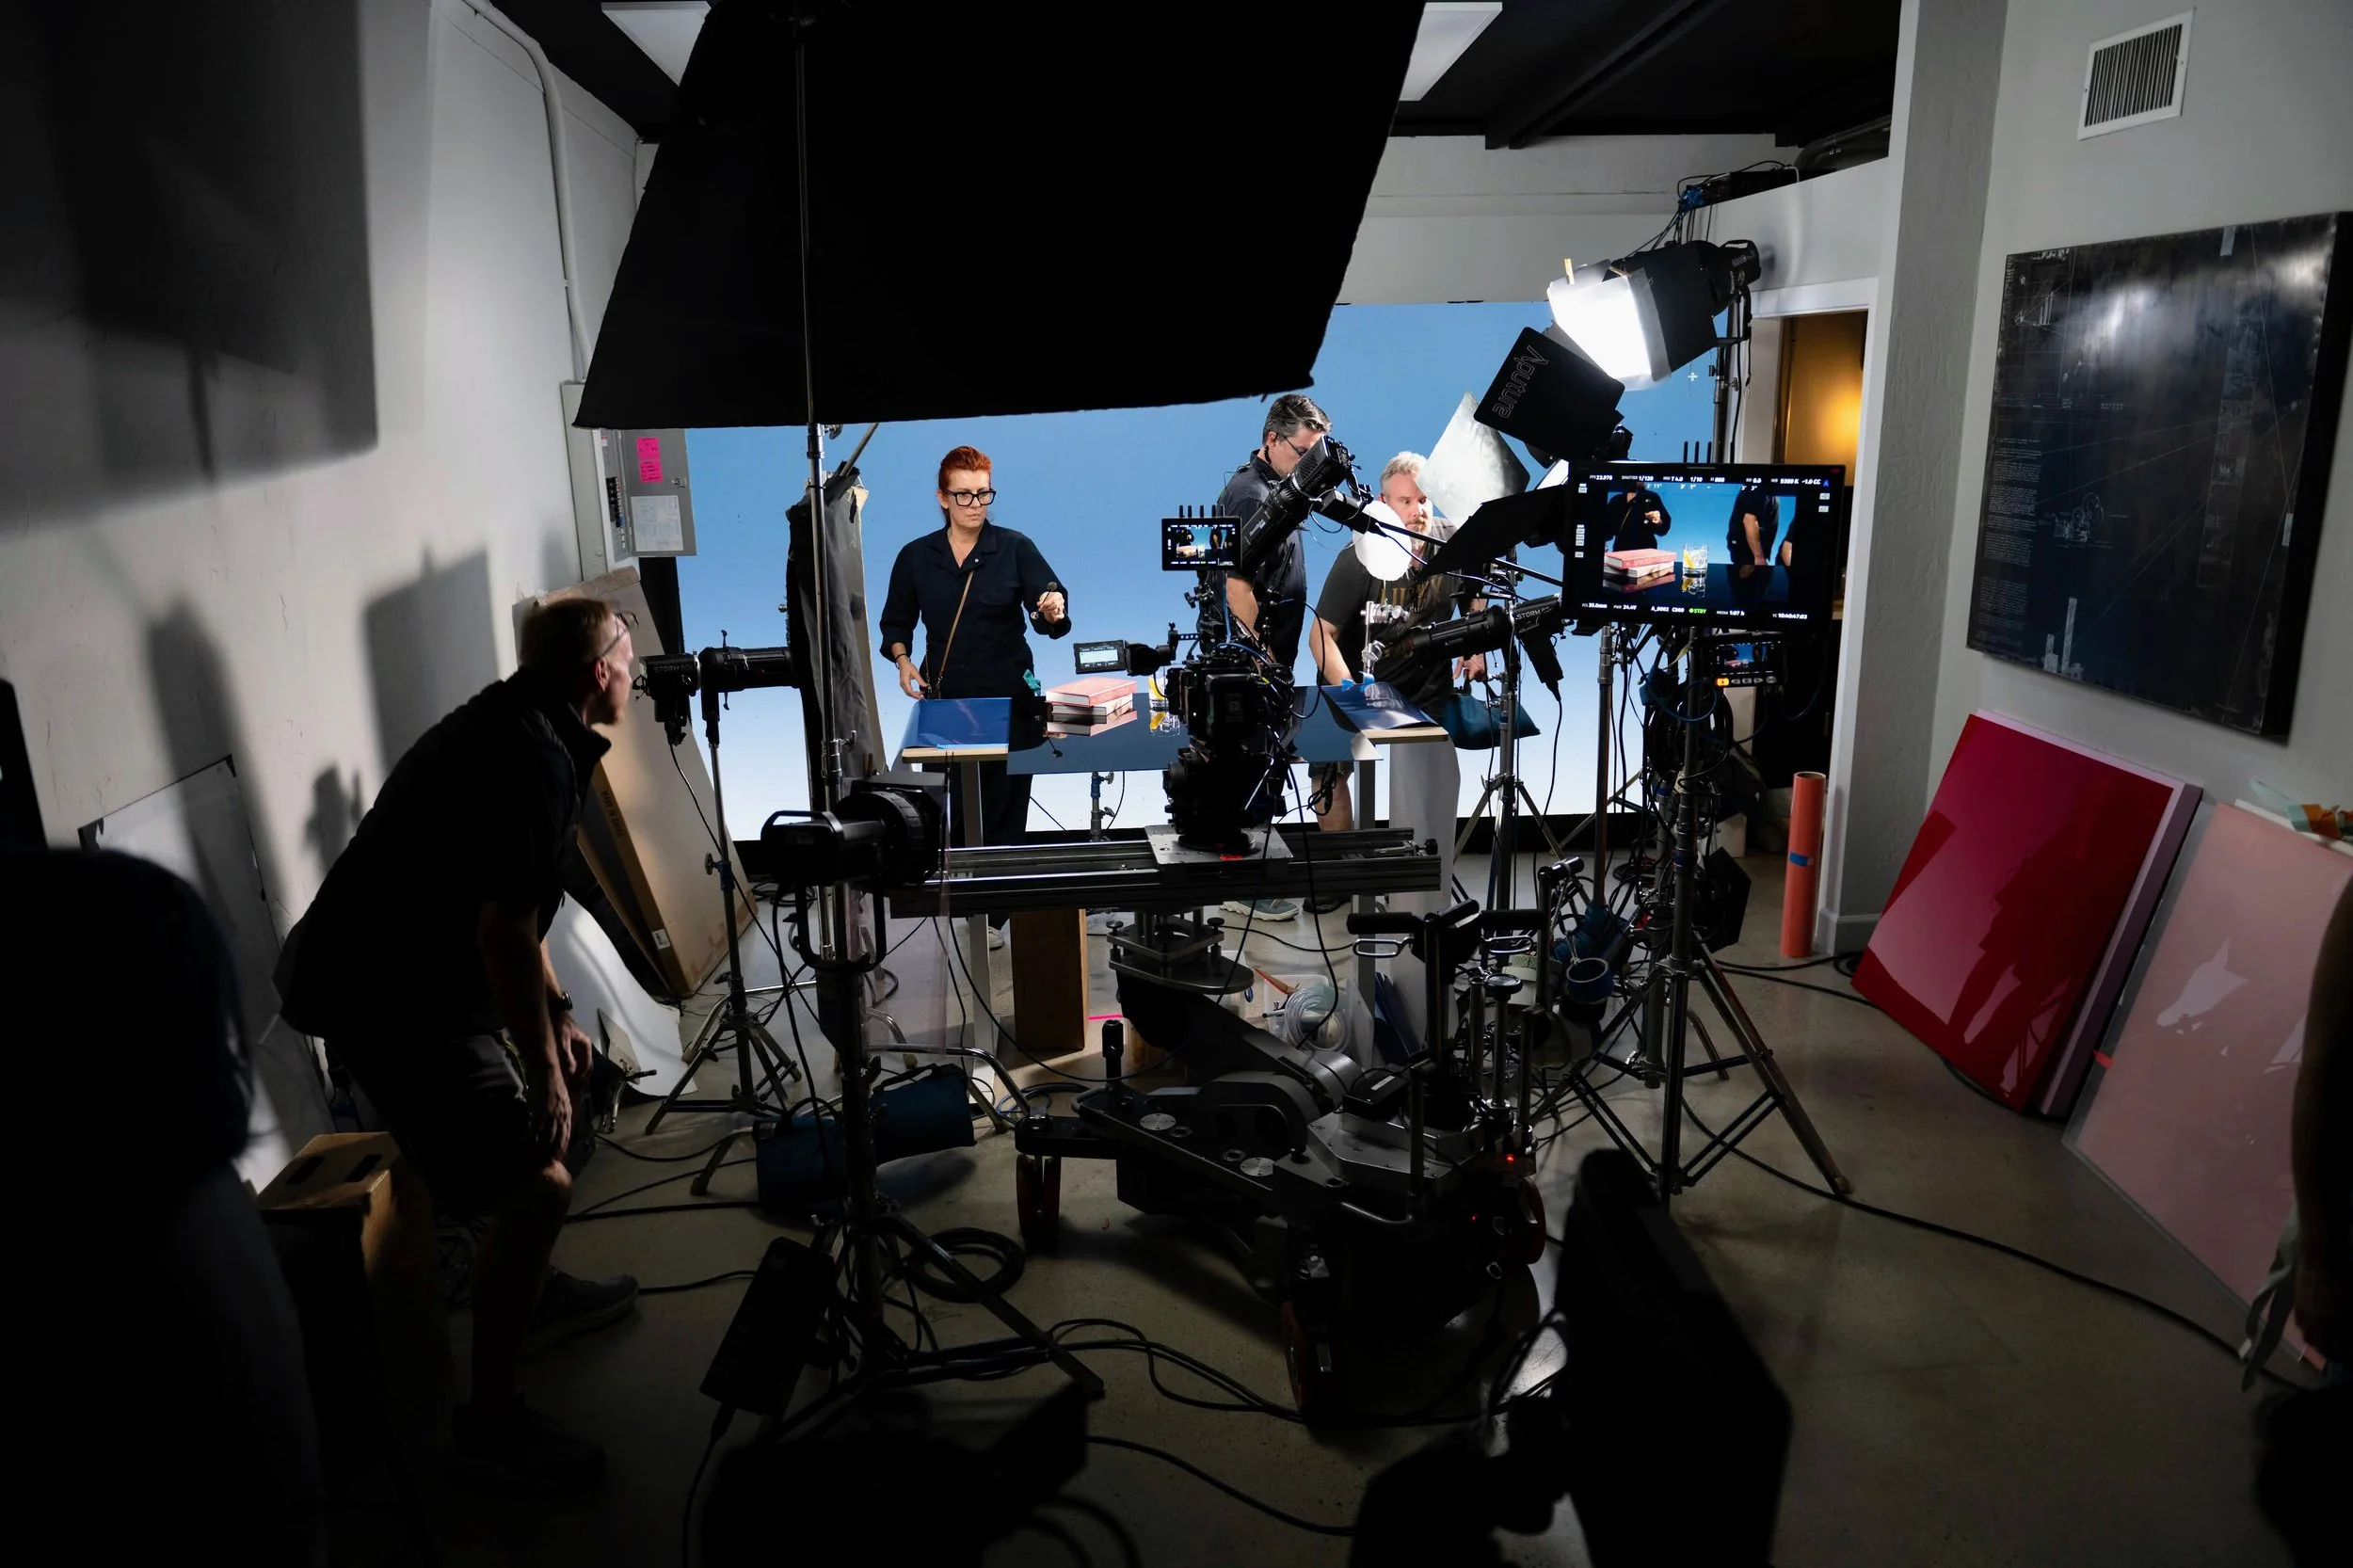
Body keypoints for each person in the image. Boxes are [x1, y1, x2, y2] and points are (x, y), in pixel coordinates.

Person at [274, 595, 641, 1494]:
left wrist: (555, 1015)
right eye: (629, 652)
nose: (638, 669)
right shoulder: (531, 755)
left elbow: (515, 902)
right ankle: (489, 1423)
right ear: (600, 672)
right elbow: (502, 935)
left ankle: (534, 1290)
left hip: (422, 978)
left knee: (566, 1113)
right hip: (385, 997)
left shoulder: (531, 729)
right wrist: (546, 1070)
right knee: (538, 1182)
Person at [877, 444, 1069, 940]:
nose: (974, 504)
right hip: (949, 700)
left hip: (1010, 696)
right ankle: (962, 901)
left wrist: (1052, 608)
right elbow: (896, 622)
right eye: (963, 495)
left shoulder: (1014, 546)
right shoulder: (916, 556)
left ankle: (996, 915)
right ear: (942, 498)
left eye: (983, 493)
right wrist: (903, 662)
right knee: (957, 805)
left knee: (1006, 807)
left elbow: (1049, 600)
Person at [1200, 392, 1328, 670]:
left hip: (1267, 659)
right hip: (1251, 666)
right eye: (1304, 455)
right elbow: (1235, 589)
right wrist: (1264, 663)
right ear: (1272, 439)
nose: (1309, 467)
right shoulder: (1253, 497)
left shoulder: (1278, 489)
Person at [1725, 483, 1781, 568]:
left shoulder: (1767, 487)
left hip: (1751, 554)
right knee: (1746, 579)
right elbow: (1749, 519)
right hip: (1748, 554)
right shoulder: (1759, 485)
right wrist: (1759, 558)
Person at [1607, 486, 1673, 553]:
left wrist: (1658, 521)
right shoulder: (1616, 500)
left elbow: (1663, 529)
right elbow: (1608, 534)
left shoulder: (1652, 497)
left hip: (1646, 553)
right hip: (1621, 553)